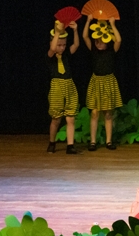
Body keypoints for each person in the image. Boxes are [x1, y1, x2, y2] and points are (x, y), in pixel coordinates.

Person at [83, 14, 122, 151]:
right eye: (97, 41)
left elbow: (119, 40)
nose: (98, 44)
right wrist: (88, 21)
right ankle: (93, 141)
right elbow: (85, 37)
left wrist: (112, 25)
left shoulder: (111, 50)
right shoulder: (94, 50)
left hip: (108, 81)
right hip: (96, 82)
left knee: (108, 113)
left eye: (101, 41)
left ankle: (109, 141)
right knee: (94, 112)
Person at [47, 20, 81, 154]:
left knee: (70, 117)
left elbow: (76, 45)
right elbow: (52, 49)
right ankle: (52, 142)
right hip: (57, 86)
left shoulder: (66, 54)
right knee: (56, 118)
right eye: (59, 45)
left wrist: (75, 30)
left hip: (69, 84)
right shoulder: (50, 56)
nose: (61, 48)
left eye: (64, 45)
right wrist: (57, 32)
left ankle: (70, 145)